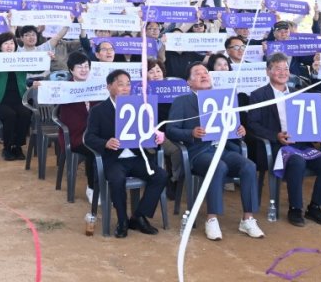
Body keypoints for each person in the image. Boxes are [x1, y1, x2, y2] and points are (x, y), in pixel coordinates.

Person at [167, 63, 264, 240]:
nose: (204, 75)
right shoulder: (182, 101)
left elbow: (232, 125)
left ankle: (248, 219)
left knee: (249, 166)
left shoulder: (223, 98)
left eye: (206, 72)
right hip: (199, 152)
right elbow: (171, 130)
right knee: (217, 166)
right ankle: (211, 219)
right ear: (189, 82)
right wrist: (190, 133)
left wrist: (239, 130)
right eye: (198, 73)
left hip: (224, 149)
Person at [247, 53, 321, 227]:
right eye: (278, 69)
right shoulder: (259, 95)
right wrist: (276, 136)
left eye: (285, 69)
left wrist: (317, 134)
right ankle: (295, 208)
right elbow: (252, 124)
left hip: (301, 144)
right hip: (276, 146)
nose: (283, 72)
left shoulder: (299, 93)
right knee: (296, 161)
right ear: (268, 71)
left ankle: (315, 206)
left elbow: (309, 120)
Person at [84, 70, 167, 238]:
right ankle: (122, 220)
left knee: (161, 175)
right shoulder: (98, 110)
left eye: (128, 84)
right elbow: (89, 137)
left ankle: (138, 217)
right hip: (113, 159)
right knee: (117, 179)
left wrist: (155, 138)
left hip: (136, 157)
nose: (125, 88)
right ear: (109, 87)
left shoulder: (140, 106)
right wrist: (105, 143)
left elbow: (149, 131)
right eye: (120, 84)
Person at [56, 52, 98, 203]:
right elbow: (49, 95)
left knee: (111, 147)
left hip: (94, 134)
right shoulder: (64, 88)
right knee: (95, 151)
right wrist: (40, 87)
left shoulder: (96, 86)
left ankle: (107, 186)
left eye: (86, 66)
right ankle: (92, 188)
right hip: (74, 136)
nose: (84, 69)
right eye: (79, 67)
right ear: (71, 70)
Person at [0, 32, 32, 161]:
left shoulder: (21, 58)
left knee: (25, 113)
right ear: (0, 46)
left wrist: (46, 58)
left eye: (12, 43)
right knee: (10, 115)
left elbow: (37, 69)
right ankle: (7, 147)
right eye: (6, 43)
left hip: (19, 99)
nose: (9, 46)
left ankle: (18, 146)